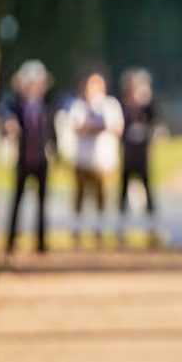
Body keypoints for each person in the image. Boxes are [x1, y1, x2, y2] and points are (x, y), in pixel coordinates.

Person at [0, 60, 55, 255]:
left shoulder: (46, 106)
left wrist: (55, 150)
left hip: (42, 159)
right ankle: (11, 240)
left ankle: (41, 241)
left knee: (42, 202)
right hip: (22, 159)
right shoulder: (14, 106)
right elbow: (5, 125)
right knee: (17, 200)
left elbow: (51, 131)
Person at [67, 71, 123, 244]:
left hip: (103, 162)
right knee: (79, 199)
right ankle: (76, 234)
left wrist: (97, 127)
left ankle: (99, 234)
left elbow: (117, 128)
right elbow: (77, 127)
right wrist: (96, 127)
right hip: (82, 160)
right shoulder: (78, 106)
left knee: (102, 198)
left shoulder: (110, 105)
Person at [118, 68, 159, 222]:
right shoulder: (123, 107)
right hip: (129, 154)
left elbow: (155, 125)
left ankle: (152, 226)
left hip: (143, 155)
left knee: (147, 188)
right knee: (124, 190)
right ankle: (121, 226)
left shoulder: (147, 108)